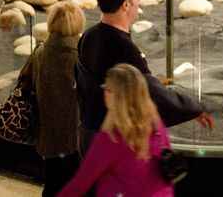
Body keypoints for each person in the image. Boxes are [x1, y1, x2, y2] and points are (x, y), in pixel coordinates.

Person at [76, 0, 213, 155]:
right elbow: (152, 93)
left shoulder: (88, 36)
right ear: (126, 4)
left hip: (88, 133)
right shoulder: (124, 48)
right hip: (115, 141)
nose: (138, 1)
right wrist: (194, 107)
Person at [59, 63, 174, 197]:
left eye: (108, 89)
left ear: (119, 97)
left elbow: (83, 180)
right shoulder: (156, 125)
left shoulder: (112, 137)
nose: (104, 94)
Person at [29, 0, 84, 196]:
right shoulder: (80, 56)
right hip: (74, 138)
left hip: (48, 134)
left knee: (52, 183)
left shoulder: (40, 53)